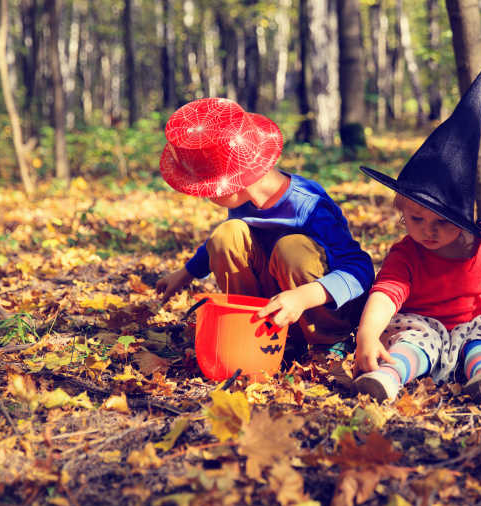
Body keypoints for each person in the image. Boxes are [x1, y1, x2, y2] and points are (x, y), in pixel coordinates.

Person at [353, 66, 481, 402]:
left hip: (469, 327)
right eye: (417, 219)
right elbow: (386, 294)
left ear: (463, 220)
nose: (428, 230)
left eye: (442, 222)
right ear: (402, 213)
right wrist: (368, 333)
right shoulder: (407, 255)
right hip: (420, 326)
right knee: (410, 347)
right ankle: (387, 376)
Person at [155, 97, 374, 356]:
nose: (204, 196)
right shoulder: (243, 202)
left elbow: (360, 269)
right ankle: (254, 328)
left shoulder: (310, 205)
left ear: (233, 184)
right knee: (227, 234)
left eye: (205, 189)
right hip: (274, 310)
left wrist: (304, 297)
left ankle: (328, 343)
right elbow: (220, 245)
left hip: (318, 311)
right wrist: (187, 272)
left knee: (292, 248)